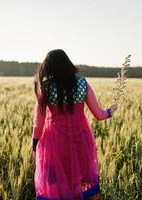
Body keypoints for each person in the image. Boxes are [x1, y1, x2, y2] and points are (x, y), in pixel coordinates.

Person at [32, 49, 118, 200]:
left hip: (55, 143)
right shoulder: (82, 83)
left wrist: (35, 144)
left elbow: (38, 124)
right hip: (81, 141)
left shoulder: (45, 87)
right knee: (80, 183)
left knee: (57, 185)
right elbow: (99, 115)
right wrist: (110, 111)